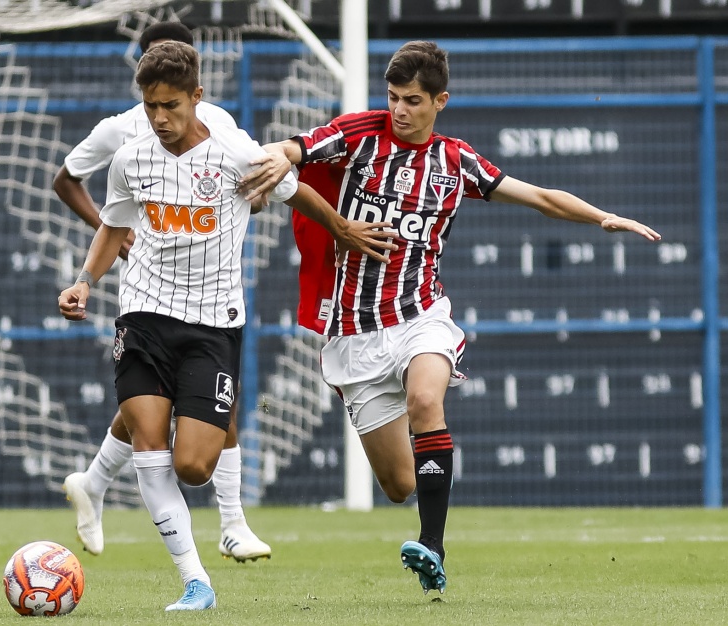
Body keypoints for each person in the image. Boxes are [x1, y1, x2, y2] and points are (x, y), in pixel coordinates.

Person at [240, 40, 661, 595]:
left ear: (441, 101)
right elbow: (294, 149)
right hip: (354, 333)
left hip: (421, 315)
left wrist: (602, 216)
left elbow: (536, 196)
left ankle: (432, 547)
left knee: (425, 399)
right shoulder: (359, 133)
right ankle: (423, 509)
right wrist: (272, 161)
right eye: (393, 97)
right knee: (397, 483)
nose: (399, 109)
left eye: (413, 100)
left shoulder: (455, 160)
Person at [58, 41, 394, 611]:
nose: (160, 119)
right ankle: (196, 582)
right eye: (149, 106)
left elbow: (295, 191)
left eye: (170, 105)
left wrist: (342, 229)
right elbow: (113, 225)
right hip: (142, 313)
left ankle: (161, 501)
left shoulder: (235, 151)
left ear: (197, 97)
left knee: (193, 464)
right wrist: (85, 281)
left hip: (214, 323)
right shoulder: (130, 156)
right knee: (148, 442)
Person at [54, 21, 294, 562]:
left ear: (193, 82)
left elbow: (252, 187)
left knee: (189, 414)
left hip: (211, 303)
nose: (160, 114)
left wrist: (246, 202)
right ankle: (214, 544)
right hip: (148, 300)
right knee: (153, 417)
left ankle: (98, 483)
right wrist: (111, 240)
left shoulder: (218, 125)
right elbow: (67, 178)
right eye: (151, 99)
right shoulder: (121, 133)